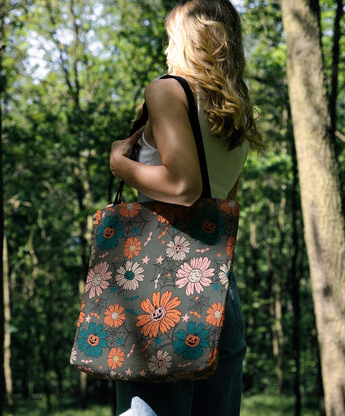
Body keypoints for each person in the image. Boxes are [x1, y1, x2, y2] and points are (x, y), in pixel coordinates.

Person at [109, 1, 262, 415]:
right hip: (217, 288)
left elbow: (183, 186)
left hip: (161, 290)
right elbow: (227, 200)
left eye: (171, 36)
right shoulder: (234, 111)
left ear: (191, 40)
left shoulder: (167, 91)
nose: (165, 48)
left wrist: (120, 164)